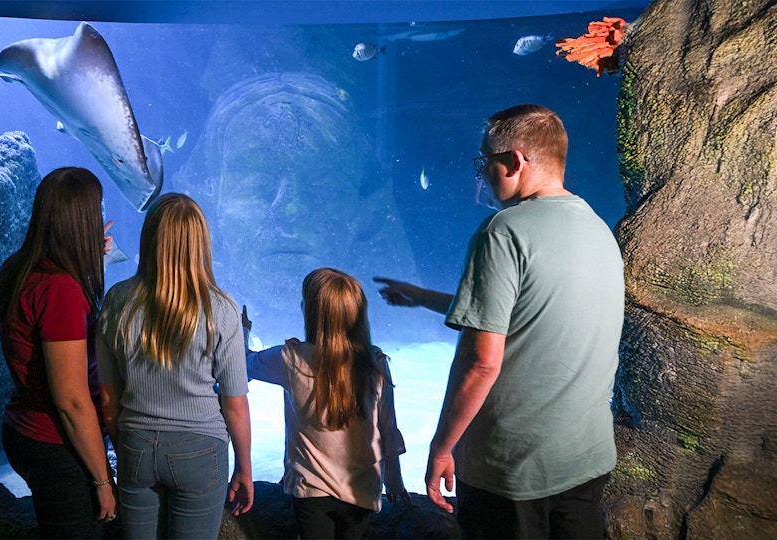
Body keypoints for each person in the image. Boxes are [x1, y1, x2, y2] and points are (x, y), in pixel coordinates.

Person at [375, 104, 624, 538]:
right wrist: (423, 298)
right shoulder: (598, 228)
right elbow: (527, 311)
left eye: (484, 162)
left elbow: (482, 363)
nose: (482, 176)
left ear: (513, 161)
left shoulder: (503, 231)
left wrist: (442, 446)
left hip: (514, 469)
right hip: (585, 459)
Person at [96, 193, 254, 539]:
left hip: (135, 445)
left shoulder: (117, 300)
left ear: (149, 238)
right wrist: (244, 467)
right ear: (201, 242)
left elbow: (108, 397)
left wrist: (128, 444)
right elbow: (235, 403)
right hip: (200, 450)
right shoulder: (221, 309)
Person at [0, 167, 117, 538]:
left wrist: (93, 260)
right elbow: (71, 400)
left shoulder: (17, 268)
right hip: (56, 442)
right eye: (95, 211)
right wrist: (101, 480)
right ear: (80, 221)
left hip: (24, 426)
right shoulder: (59, 289)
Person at [244, 268, 410, 539]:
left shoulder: (290, 359)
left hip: (311, 490)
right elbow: (387, 430)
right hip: (363, 491)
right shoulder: (376, 363)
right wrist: (394, 481)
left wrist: (242, 330)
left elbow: (244, 362)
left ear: (311, 312)